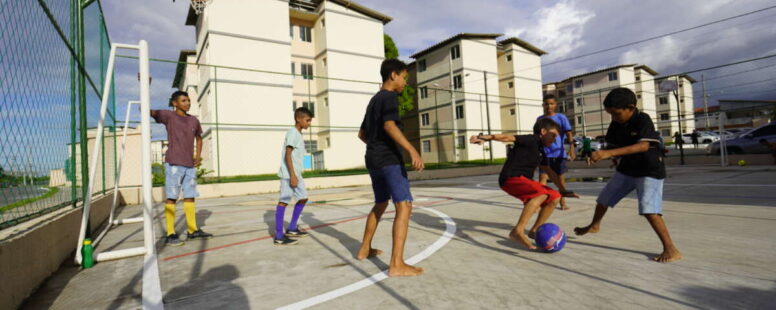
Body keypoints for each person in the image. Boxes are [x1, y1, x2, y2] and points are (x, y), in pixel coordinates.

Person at [574, 88, 681, 263]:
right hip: (627, 169)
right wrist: (601, 154)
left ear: (630, 107)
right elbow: (612, 147)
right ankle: (595, 225)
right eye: (610, 114)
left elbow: (643, 146)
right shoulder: (615, 124)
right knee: (603, 199)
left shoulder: (642, 119)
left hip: (649, 170)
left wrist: (609, 154)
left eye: (616, 113)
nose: (613, 118)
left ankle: (671, 249)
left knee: (650, 211)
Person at [356, 58, 425, 277]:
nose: (405, 82)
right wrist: (411, 150)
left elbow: (362, 135)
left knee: (380, 203)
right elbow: (389, 125)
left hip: (373, 159)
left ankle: (364, 249)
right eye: (404, 77)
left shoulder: (374, 100)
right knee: (404, 206)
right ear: (393, 75)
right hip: (388, 160)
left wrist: (377, 148)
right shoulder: (389, 97)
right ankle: (396, 264)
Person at [470, 118, 578, 250]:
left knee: (554, 196)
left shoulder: (542, 151)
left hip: (523, 180)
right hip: (510, 178)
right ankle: (517, 231)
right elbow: (507, 137)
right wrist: (486, 137)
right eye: (553, 135)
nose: (555, 139)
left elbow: (549, 171)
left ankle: (535, 230)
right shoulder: (531, 139)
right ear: (543, 131)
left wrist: (563, 190)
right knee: (541, 193)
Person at [151, 91, 213, 246]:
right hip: (174, 164)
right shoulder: (168, 116)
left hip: (189, 165)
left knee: (190, 196)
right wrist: (145, 86)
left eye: (189, 100)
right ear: (175, 103)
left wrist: (197, 156)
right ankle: (170, 232)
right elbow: (147, 111)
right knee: (171, 198)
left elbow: (199, 138)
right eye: (184, 101)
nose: (188, 103)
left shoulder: (193, 120)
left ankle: (192, 230)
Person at [273, 107, 314, 245]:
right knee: (284, 201)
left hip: (296, 174)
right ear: (298, 119)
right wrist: (292, 175)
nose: (309, 123)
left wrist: (296, 175)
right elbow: (287, 154)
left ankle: (292, 228)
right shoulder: (292, 133)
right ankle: (279, 236)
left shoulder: (298, 134)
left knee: (303, 198)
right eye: (307, 120)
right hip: (288, 175)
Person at [536, 94, 575, 210]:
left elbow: (569, 133)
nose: (549, 106)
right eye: (546, 104)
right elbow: (537, 136)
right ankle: (539, 202)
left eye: (551, 103)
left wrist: (571, 149)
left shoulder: (561, 117)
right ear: (543, 105)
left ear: (556, 104)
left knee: (560, 179)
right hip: (544, 153)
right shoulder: (540, 119)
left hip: (558, 154)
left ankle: (563, 202)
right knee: (542, 179)